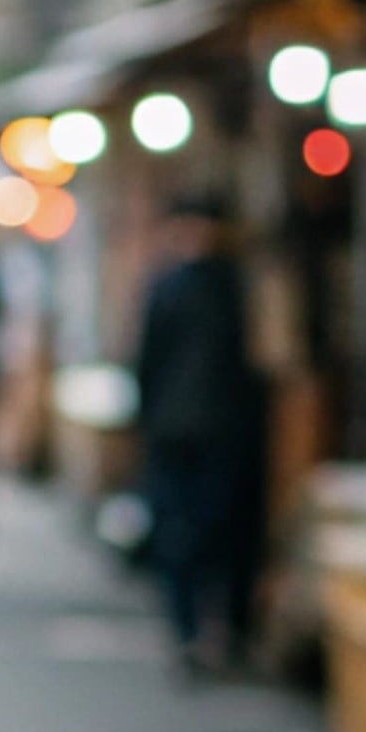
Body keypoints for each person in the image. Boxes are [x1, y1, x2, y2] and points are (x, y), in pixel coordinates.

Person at [135, 193, 266, 675]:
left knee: (179, 529)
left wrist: (146, 418)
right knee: (220, 528)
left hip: (175, 427)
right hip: (226, 429)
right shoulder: (237, 286)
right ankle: (223, 628)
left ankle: (188, 627)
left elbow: (147, 361)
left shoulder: (168, 285)